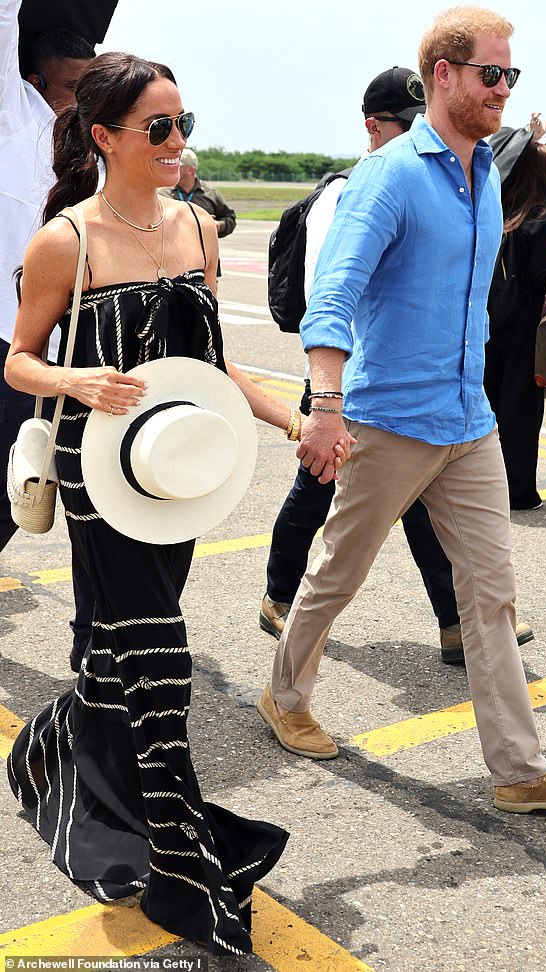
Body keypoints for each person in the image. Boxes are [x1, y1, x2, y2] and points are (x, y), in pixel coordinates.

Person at [4, 52, 345, 953]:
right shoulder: (65, 241)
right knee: (160, 658)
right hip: (97, 476)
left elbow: (213, 370)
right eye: (159, 127)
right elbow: (17, 359)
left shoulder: (197, 228)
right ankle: (178, 862)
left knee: (116, 652)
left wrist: (290, 421)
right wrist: (77, 380)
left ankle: (58, 752)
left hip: (181, 473)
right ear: (105, 135)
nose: (178, 142)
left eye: (183, 124)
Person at [256, 5, 546, 815]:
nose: (503, 88)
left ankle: (520, 770)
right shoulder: (390, 176)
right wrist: (324, 404)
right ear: (443, 76)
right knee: (337, 574)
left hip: (469, 422)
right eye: (492, 73)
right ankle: (284, 694)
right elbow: (336, 294)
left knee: (490, 593)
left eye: (511, 75)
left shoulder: (486, 172)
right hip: (388, 421)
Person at [260, 65, 532, 663]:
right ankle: (281, 598)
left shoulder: (446, 177)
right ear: (372, 127)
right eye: (401, 124)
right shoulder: (355, 190)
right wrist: (328, 397)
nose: (414, 133)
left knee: (408, 512)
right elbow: (329, 294)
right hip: (348, 378)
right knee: (318, 501)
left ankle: (456, 621)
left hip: (422, 395)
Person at [0, 2, 96, 670]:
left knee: (85, 508)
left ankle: (97, 647)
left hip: (80, 356)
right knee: (10, 492)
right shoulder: (12, 120)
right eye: (69, 90)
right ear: (32, 82)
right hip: (11, 345)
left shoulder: (90, 145)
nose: (79, 104)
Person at [485, 127, 546, 509]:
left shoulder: (503, 211)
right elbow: (541, 277)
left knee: (491, 405)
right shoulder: (543, 218)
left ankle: (485, 488)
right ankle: (518, 491)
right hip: (527, 325)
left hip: (495, 320)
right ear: (543, 174)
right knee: (521, 412)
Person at [160, 147, 236, 277]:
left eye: (178, 164)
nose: (173, 166)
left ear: (190, 170)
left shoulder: (211, 194)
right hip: (171, 266)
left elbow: (230, 218)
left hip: (204, 265)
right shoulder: (163, 194)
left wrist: (217, 226)